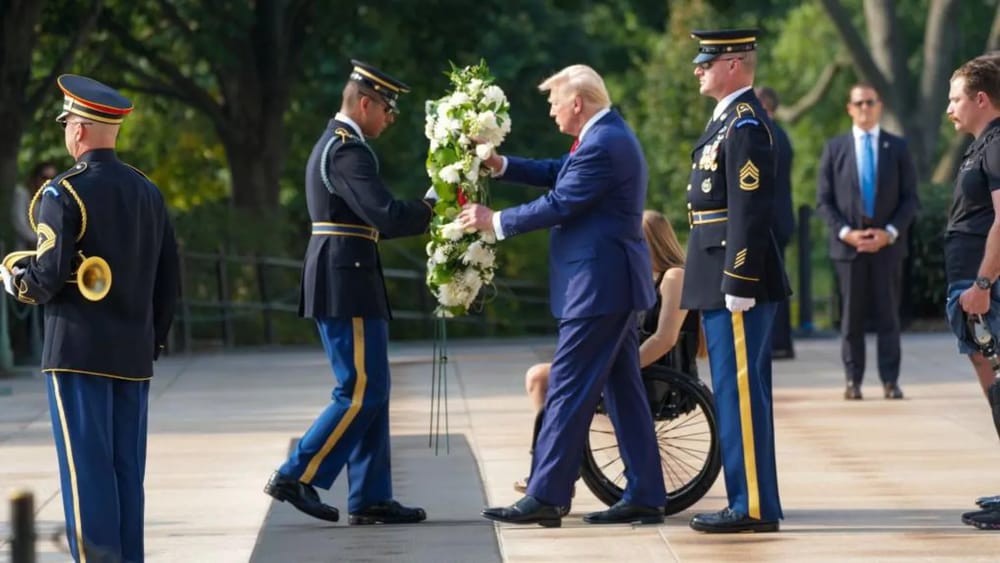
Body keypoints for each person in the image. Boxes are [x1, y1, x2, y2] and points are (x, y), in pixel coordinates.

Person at [459, 64, 666, 527]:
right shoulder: (603, 136)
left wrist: (495, 222)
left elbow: (561, 202)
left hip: (599, 289)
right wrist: (502, 166)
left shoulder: (605, 142)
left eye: (554, 102)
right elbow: (560, 174)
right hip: (609, 285)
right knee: (624, 393)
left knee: (567, 391)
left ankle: (547, 495)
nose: (551, 112)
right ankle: (647, 494)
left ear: (577, 103)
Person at [0, 75, 179, 562]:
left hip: (77, 351)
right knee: (126, 474)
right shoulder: (149, 193)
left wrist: (15, 274)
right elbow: (170, 281)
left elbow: (49, 275)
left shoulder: (63, 193)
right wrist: (152, 340)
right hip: (134, 355)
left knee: (86, 473)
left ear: (77, 131)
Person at [263, 60, 433, 526]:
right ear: (365, 103)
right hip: (346, 278)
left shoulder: (341, 147)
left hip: (349, 274)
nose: (390, 119)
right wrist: (434, 205)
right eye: (387, 109)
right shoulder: (346, 152)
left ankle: (372, 495)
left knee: (373, 388)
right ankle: (296, 474)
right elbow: (387, 216)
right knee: (359, 389)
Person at [682, 29, 789, 534]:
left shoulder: (745, 123)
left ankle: (748, 507)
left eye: (707, 62)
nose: (698, 69)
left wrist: (740, 278)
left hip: (735, 275)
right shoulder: (727, 119)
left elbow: (750, 208)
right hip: (718, 269)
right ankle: (753, 501)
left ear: (734, 65)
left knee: (739, 395)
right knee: (735, 394)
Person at [513, 209, 697, 493]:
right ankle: (553, 466)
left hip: (654, 374)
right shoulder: (640, 276)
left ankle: (554, 471)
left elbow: (665, 338)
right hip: (620, 364)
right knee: (540, 378)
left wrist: (618, 370)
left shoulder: (674, 277)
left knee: (550, 382)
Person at [816, 83, 919, 400]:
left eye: (870, 103)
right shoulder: (835, 149)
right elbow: (824, 201)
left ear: (879, 106)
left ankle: (890, 381)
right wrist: (848, 233)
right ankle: (853, 381)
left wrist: (889, 232)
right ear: (849, 108)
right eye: (858, 103)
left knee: (889, 316)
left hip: (887, 246)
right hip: (849, 248)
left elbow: (910, 200)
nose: (864, 108)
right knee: (851, 318)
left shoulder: (897, 147)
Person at [941, 54, 1000, 530]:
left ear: (982, 99)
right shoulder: (983, 144)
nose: (949, 108)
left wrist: (983, 283)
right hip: (972, 287)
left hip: (985, 289)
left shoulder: (997, 144)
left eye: (956, 98)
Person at [754, 87, 796, 360]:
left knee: (771, 285)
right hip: (779, 220)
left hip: (771, 221)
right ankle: (780, 341)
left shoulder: (767, 133)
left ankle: (777, 341)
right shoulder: (779, 134)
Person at [11, 162, 58, 250]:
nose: (48, 182)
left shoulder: (51, 197)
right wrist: (38, 240)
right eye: (44, 178)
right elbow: (20, 223)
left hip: (45, 249)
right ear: (35, 178)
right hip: (25, 252)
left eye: (52, 178)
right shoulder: (22, 193)